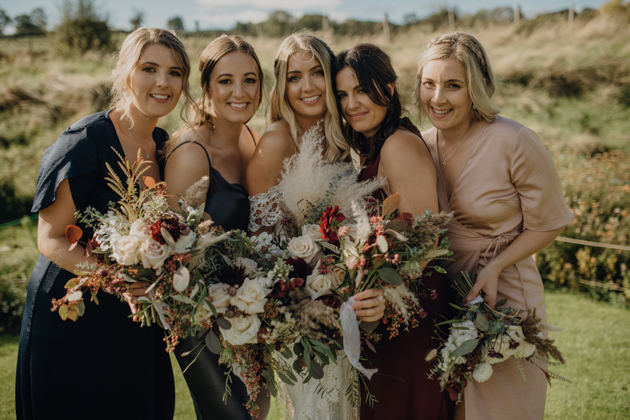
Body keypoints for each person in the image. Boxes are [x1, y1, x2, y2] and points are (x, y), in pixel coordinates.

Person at [16, 28, 195, 420]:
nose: (163, 82)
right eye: (149, 68)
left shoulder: (165, 145)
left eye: (175, 72)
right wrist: (118, 280)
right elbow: (50, 240)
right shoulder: (85, 141)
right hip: (72, 310)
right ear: (125, 72)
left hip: (134, 317)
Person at [413, 32, 574, 420]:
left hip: (503, 301)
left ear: (479, 87)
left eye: (453, 85)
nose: (437, 98)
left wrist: (495, 266)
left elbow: (550, 223)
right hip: (441, 301)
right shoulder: (418, 145)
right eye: (429, 84)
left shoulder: (514, 140)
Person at [246, 33, 385, 420]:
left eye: (316, 73)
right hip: (300, 314)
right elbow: (259, 244)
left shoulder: (341, 139)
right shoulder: (275, 141)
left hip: (345, 302)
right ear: (282, 85)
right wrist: (307, 282)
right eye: (294, 77)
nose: (307, 87)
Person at [334, 43, 454, 420]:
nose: (351, 103)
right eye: (342, 94)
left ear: (387, 89)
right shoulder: (377, 145)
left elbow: (423, 239)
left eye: (361, 90)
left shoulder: (398, 145)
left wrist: (381, 293)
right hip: (386, 310)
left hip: (409, 316)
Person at [163, 35, 269, 420]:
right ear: (205, 86)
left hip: (251, 311)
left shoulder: (253, 138)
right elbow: (169, 255)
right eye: (225, 80)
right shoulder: (191, 154)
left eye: (250, 80)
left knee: (258, 410)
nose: (239, 92)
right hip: (201, 321)